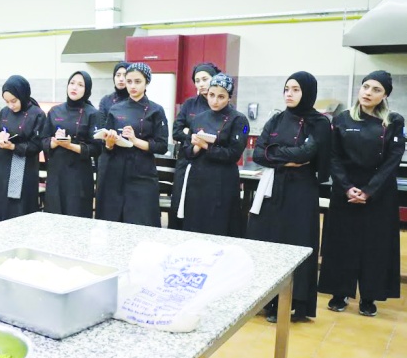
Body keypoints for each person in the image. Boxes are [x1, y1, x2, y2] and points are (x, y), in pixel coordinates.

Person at [247, 71, 332, 323]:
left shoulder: (320, 123)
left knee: (296, 243)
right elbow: (259, 154)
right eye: (287, 89)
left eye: (295, 89)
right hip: (273, 189)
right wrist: (288, 156)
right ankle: (268, 299)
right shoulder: (276, 120)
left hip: (301, 191)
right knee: (269, 240)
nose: (289, 94)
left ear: (307, 92)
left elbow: (308, 152)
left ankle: (295, 302)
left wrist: (278, 154)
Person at [318, 70, 403, 318]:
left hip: (379, 195)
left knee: (374, 246)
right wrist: (346, 187)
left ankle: (369, 296)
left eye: (376, 89)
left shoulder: (394, 121)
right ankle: (339, 292)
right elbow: (333, 157)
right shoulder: (342, 120)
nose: (368, 92)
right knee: (342, 243)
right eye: (366, 86)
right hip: (346, 192)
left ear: (385, 95)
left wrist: (369, 191)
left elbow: (392, 161)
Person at [171, 73, 249, 236]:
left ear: (229, 97)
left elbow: (234, 154)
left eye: (221, 97)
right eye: (211, 95)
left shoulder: (240, 121)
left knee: (218, 225)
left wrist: (206, 146)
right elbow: (186, 150)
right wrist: (195, 147)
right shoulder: (198, 118)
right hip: (198, 180)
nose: (215, 100)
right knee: (195, 223)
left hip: (223, 181)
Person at [95, 62, 168, 226]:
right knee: (114, 222)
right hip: (116, 172)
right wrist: (110, 142)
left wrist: (135, 141)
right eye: (129, 82)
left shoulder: (156, 110)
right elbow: (106, 147)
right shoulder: (115, 109)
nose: (132, 86)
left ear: (146, 82)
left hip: (142, 173)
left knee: (141, 222)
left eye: (137, 81)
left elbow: (161, 146)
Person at [0, 75, 46, 225]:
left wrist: (14, 146)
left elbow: (38, 145)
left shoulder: (37, 114)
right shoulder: (4, 112)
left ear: (23, 95)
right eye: (7, 102)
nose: (10, 105)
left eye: (14, 101)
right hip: (2, 163)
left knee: (17, 208)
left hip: (23, 165)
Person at [41, 71, 102, 218]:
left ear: (87, 90)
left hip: (79, 175)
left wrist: (70, 146)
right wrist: (55, 142)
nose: (74, 87)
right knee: (54, 217)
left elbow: (97, 148)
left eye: (80, 85)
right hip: (56, 173)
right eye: (72, 83)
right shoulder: (55, 111)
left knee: (77, 218)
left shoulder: (93, 114)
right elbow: (43, 141)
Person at [169, 62, 220, 228]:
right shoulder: (189, 104)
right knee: (182, 203)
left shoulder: (223, 106)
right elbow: (176, 131)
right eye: (197, 80)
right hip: (188, 160)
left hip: (212, 161)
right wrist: (192, 139)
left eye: (205, 79)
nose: (201, 84)